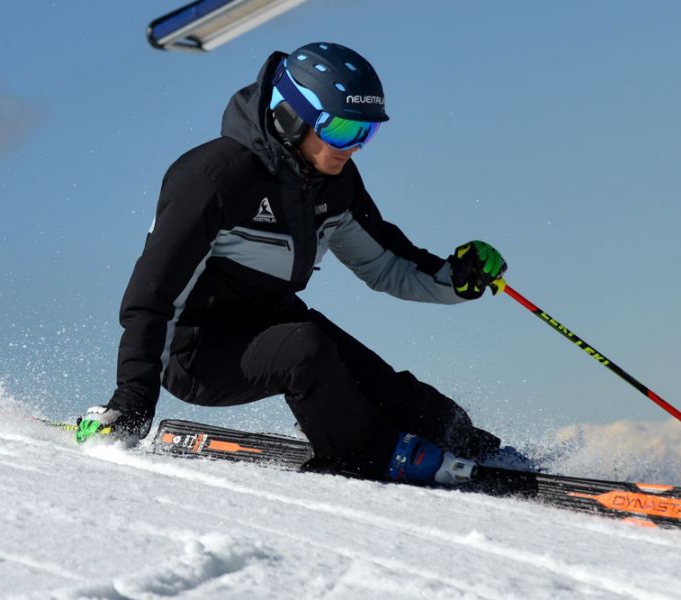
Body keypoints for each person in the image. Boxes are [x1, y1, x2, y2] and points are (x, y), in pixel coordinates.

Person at [77, 42, 508, 484]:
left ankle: (475, 447)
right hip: (196, 352)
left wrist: (457, 279)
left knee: (395, 395)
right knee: (308, 350)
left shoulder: (334, 184)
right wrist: (133, 400)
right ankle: (361, 455)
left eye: (366, 132)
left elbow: (386, 263)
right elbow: (154, 297)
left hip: (275, 325)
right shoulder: (212, 179)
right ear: (291, 116)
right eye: (342, 129)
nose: (353, 147)